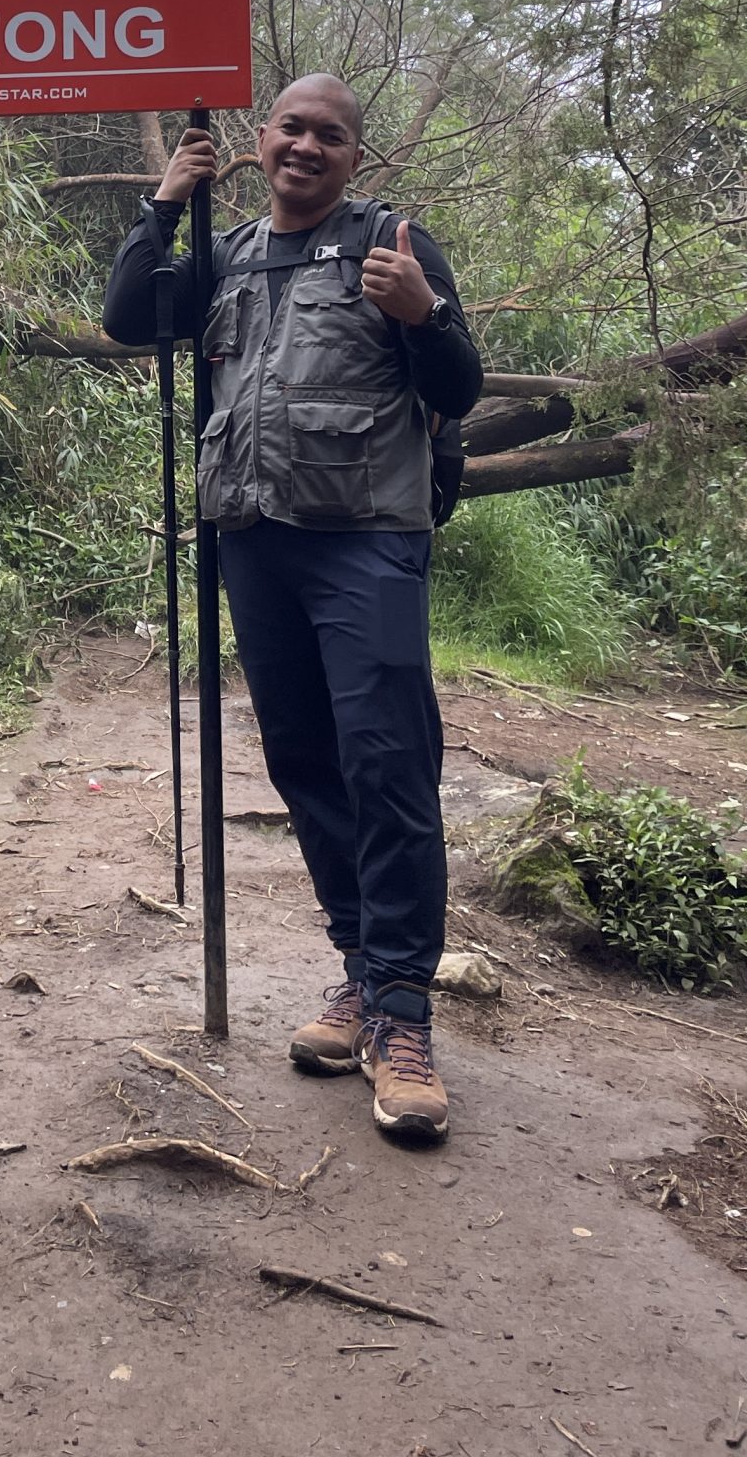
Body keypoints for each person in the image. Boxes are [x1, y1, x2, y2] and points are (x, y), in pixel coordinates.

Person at [102, 76, 482, 1142]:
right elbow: (131, 317)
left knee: (386, 764)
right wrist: (164, 203)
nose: (307, 147)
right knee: (305, 762)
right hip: (254, 542)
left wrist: (427, 313)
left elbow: (455, 386)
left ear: (355, 156)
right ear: (261, 140)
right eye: (292, 129)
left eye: (331, 135)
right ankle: (360, 976)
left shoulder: (393, 242)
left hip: (366, 540)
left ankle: (404, 1017)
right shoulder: (222, 251)